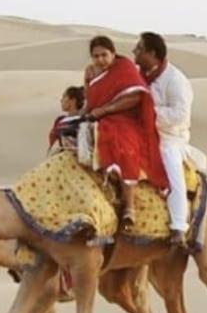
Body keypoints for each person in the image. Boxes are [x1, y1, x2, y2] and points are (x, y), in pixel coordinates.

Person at [82, 35, 167, 232]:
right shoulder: (95, 73)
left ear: (113, 53)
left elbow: (135, 96)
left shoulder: (125, 68)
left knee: (122, 144)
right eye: (96, 56)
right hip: (100, 119)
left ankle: (129, 206)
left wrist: (104, 111)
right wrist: (88, 83)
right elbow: (91, 101)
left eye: (104, 55)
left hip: (126, 121)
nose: (100, 60)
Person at [133, 31, 196, 247]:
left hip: (169, 137)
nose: (135, 52)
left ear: (152, 53)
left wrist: (151, 113)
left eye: (139, 49)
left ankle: (178, 225)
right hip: (140, 132)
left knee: (171, 165)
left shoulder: (175, 80)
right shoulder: (138, 75)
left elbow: (180, 114)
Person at [48, 85, 85, 153]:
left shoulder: (81, 122)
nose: (61, 100)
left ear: (73, 100)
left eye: (64, 96)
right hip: (54, 157)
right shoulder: (59, 120)